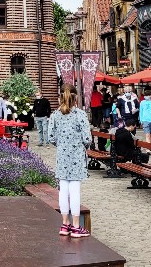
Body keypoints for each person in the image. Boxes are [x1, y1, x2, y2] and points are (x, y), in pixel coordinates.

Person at [48, 84, 92, 238]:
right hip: (77, 156)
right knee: (74, 191)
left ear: (60, 97)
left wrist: (62, 144)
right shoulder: (80, 114)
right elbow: (87, 138)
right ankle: (76, 227)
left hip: (62, 156)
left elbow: (51, 137)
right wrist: (81, 144)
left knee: (63, 191)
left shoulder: (55, 115)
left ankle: (64, 224)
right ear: (76, 98)